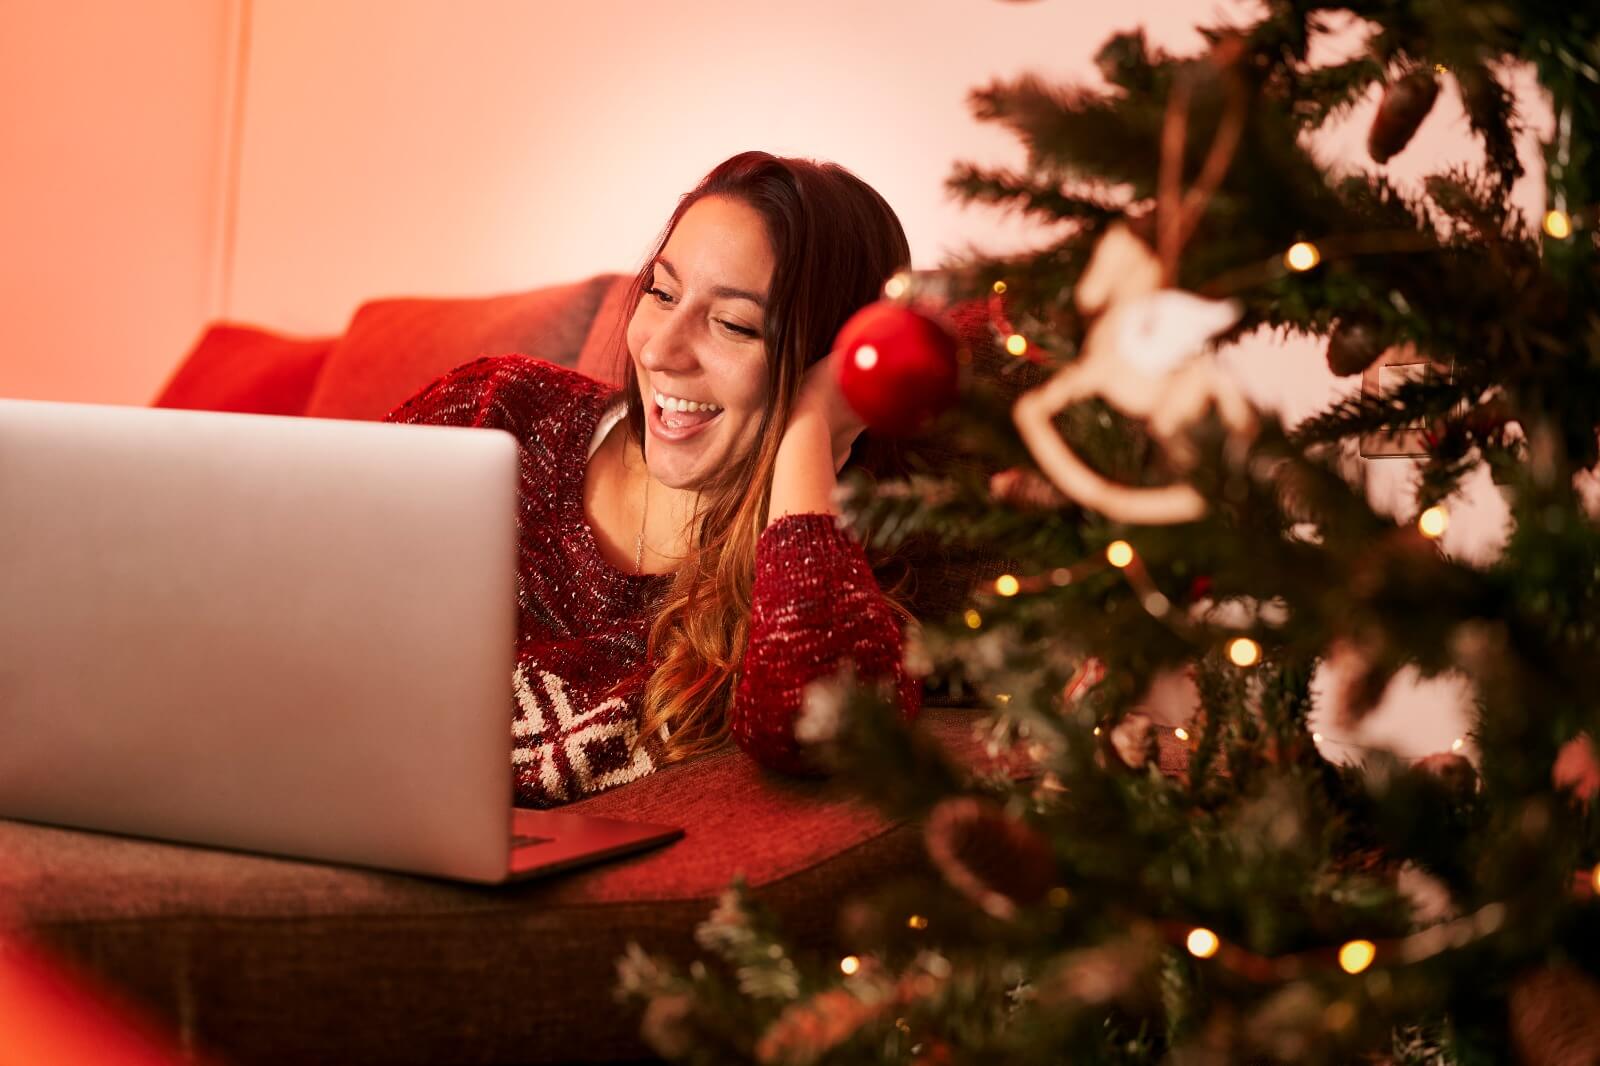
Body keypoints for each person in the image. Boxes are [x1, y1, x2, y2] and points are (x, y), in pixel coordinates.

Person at [386, 151, 921, 808]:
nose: (662, 350)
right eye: (661, 293)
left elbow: (827, 735)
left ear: (822, 361)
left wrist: (808, 426)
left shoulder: (810, 571)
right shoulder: (493, 413)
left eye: (734, 324)